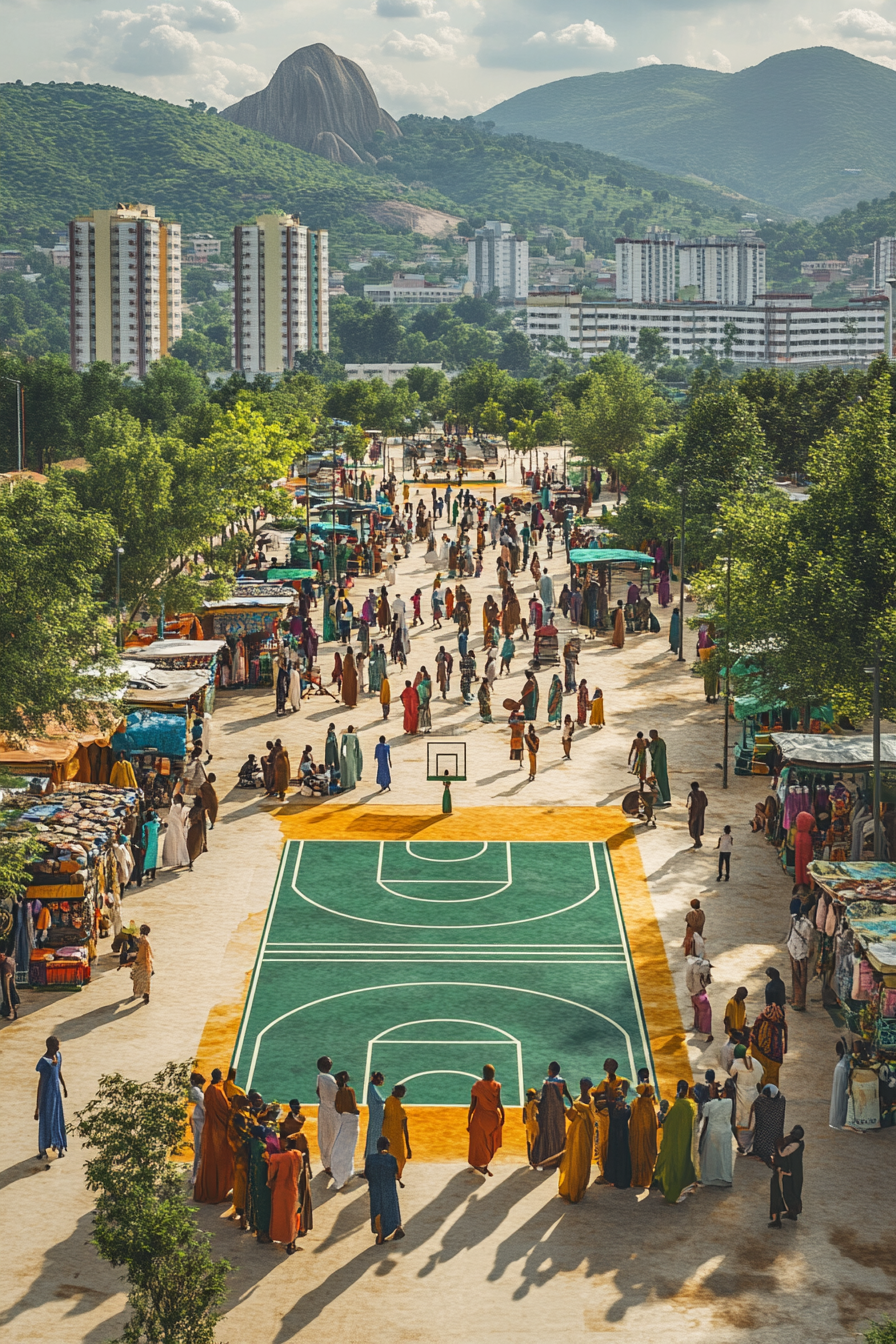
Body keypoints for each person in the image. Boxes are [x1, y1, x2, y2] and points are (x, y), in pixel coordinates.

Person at [651, 1080, 697, 1204]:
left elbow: (668, 1124)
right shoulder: (691, 1105)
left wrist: (662, 1118)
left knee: (674, 1162)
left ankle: (673, 1190)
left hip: (676, 1141)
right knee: (686, 1161)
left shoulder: (678, 1107)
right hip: (687, 1139)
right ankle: (689, 1184)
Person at [194, 1069, 235, 1203]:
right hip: (220, 1131)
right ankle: (220, 1191)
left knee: (212, 1158)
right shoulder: (217, 1090)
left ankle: (215, 1189)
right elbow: (225, 1110)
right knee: (223, 1159)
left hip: (212, 1128)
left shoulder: (209, 1090)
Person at [558, 1079, 595, 1203]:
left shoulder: (587, 1102)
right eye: (581, 1085)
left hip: (582, 1134)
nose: (582, 1087)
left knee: (579, 1159)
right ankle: (574, 1188)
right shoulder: (584, 1100)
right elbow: (573, 1116)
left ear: (589, 1087)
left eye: (585, 1085)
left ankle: (577, 1189)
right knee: (576, 1159)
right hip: (577, 1134)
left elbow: (574, 1116)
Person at [531, 1063, 572, 1169]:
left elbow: (543, 1098)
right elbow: (567, 1094)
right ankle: (558, 1157)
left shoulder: (546, 1082)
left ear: (550, 1071)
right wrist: (572, 1105)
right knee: (558, 1132)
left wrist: (535, 1104)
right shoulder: (562, 1082)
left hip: (548, 1113)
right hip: (558, 1112)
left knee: (547, 1133)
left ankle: (547, 1157)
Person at [365, 1136, 405, 1244]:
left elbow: (367, 1173)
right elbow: (397, 1174)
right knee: (391, 1210)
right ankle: (396, 1228)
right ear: (388, 1146)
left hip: (375, 1189)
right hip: (389, 1189)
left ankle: (380, 1234)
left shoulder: (370, 1158)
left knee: (377, 1211)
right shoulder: (392, 1159)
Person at [266, 1140, 305, 1253]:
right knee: (292, 1214)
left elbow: (271, 1176)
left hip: (279, 1190)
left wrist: (269, 1183)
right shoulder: (296, 1154)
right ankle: (292, 1241)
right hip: (293, 1189)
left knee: (281, 1215)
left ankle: (285, 1239)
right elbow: (300, 1169)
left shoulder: (276, 1158)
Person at [34, 1035, 68, 1162]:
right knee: (47, 1120)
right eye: (56, 1046)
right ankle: (44, 1148)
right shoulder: (44, 1062)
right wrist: (37, 1107)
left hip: (56, 1094)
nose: (58, 1048)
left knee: (57, 1118)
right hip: (47, 1095)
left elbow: (59, 1072)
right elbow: (41, 1084)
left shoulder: (58, 1056)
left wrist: (64, 1086)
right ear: (50, 1046)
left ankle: (58, 1146)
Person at [467, 1064, 505, 1176]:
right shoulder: (497, 1086)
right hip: (493, 1119)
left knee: (478, 1143)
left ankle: (479, 1164)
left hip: (479, 1118)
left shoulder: (476, 1086)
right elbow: (499, 1103)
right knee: (490, 1142)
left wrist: (469, 1121)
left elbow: (472, 1105)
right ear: (493, 1074)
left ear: (483, 1073)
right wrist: (503, 1116)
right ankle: (485, 1164)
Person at [699, 1081, 735, 1187]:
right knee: (724, 1156)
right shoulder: (730, 1102)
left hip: (712, 1133)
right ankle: (726, 1178)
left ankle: (711, 1178)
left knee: (711, 1157)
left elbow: (705, 1124)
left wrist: (701, 1139)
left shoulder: (708, 1105)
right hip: (725, 1133)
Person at [769, 1126, 805, 1229]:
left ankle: (778, 1219)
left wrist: (779, 1144)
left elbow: (783, 1153)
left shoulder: (795, 1144)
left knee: (785, 1192)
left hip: (790, 1173)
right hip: (794, 1172)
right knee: (791, 1192)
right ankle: (792, 1212)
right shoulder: (797, 1143)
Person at [629, 1068, 659, 1188]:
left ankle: (638, 1177)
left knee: (638, 1148)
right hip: (648, 1121)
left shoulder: (637, 1102)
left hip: (639, 1124)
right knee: (648, 1147)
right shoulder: (650, 1103)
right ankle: (646, 1177)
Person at [331, 1071, 360, 1190]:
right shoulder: (351, 1091)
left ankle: (340, 1180)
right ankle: (348, 1173)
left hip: (347, 1122)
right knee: (348, 1151)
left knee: (338, 1154)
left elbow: (338, 1109)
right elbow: (353, 1107)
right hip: (353, 1122)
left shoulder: (339, 1094)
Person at [750, 1003, 788, 1087]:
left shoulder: (762, 1021)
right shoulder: (777, 1025)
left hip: (761, 1053)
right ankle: (771, 1095)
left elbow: (756, 1037)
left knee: (761, 1075)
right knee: (772, 1079)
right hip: (774, 1056)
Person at [729, 1043, 758, 1150]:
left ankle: (743, 1145)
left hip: (742, 1096)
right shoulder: (754, 1062)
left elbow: (731, 1074)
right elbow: (761, 1074)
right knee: (752, 1120)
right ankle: (749, 1145)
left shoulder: (736, 1064)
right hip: (754, 1093)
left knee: (741, 1121)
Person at [749, 1084, 786, 1165]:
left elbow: (755, 1105)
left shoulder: (760, 1102)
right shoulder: (782, 1101)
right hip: (777, 1133)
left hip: (762, 1137)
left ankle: (762, 1155)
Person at [786, 903, 813, 1011]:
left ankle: (799, 1001)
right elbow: (808, 938)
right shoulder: (805, 924)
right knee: (799, 976)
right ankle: (797, 1000)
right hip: (798, 951)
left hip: (797, 951)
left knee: (798, 977)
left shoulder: (798, 921)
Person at [604, 1088, 633, 1190]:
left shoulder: (622, 1109)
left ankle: (619, 1180)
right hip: (618, 1134)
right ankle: (618, 1179)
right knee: (618, 1155)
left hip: (618, 1134)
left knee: (619, 1156)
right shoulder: (622, 1108)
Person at [381, 1084, 412, 1180]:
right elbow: (405, 1129)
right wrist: (408, 1147)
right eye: (402, 1091)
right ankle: (394, 1175)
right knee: (400, 1159)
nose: (403, 1094)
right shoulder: (397, 1108)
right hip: (394, 1137)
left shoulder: (390, 1102)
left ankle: (389, 1175)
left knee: (390, 1157)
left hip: (388, 1135)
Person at [316, 1057, 339, 1174]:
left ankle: (327, 1163)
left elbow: (318, 1091)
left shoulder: (320, 1077)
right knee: (333, 1136)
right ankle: (330, 1164)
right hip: (332, 1111)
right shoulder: (329, 1079)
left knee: (325, 1136)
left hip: (324, 1109)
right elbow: (337, 1094)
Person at [686, 954, 713, 1041]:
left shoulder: (690, 967)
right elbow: (707, 981)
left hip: (693, 994)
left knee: (697, 1011)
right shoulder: (702, 967)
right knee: (706, 1012)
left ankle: (697, 1026)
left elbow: (689, 982)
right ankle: (704, 1030)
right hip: (700, 994)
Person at [162, 796, 190, 869]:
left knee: (173, 845)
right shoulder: (182, 808)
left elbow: (171, 817)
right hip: (178, 827)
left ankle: (175, 861)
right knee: (180, 844)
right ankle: (181, 860)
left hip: (173, 829)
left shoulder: (175, 807)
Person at [188, 1072, 206, 1186]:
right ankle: (195, 1176)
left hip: (199, 1120)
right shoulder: (196, 1091)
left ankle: (196, 1175)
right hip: (200, 1121)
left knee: (199, 1150)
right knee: (199, 1149)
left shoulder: (196, 1090)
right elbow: (204, 1106)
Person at [829, 1039, 850, 1130]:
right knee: (841, 1098)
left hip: (840, 1074)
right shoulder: (844, 1063)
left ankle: (838, 1120)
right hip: (841, 1076)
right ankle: (840, 1120)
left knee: (838, 1097)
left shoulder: (841, 1064)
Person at [365, 1072, 386, 1159]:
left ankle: (370, 1154)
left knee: (373, 1134)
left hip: (375, 1115)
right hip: (376, 1116)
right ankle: (373, 1154)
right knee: (375, 1135)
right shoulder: (372, 1088)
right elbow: (380, 1099)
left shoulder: (371, 1087)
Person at [130, 924, 153, 1004]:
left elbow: (139, 953)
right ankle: (146, 993)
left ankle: (138, 993)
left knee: (137, 978)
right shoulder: (147, 940)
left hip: (140, 962)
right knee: (146, 980)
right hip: (147, 963)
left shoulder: (141, 940)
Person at [647, 729, 670, 806]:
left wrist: (648, 745)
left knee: (655, 780)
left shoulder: (654, 743)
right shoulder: (661, 741)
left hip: (657, 764)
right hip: (662, 763)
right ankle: (666, 797)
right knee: (663, 780)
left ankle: (658, 798)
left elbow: (652, 751)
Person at [340, 726, 363, 790]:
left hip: (347, 754)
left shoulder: (345, 736)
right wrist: (358, 755)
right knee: (353, 769)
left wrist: (342, 755)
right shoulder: (354, 736)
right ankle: (352, 783)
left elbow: (343, 746)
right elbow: (357, 748)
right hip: (352, 754)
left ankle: (347, 783)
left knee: (347, 768)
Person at [687, 781, 708, 849]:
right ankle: (698, 841)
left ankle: (698, 842)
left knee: (693, 828)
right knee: (699, 827)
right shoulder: (702, 793)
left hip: (694, 814)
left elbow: (688, 805)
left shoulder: (692, 794)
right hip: (701, 814)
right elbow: (706, 803)